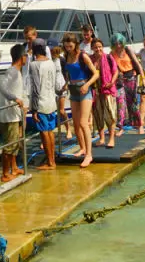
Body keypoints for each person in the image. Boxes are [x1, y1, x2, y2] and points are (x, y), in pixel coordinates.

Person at [61, 32, 98, 168]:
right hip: (73, 90)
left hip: (84, 90)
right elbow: (69, 73)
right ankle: (82, 148)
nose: (68, 48)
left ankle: (89, 155)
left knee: (83, 123)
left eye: (70, 46)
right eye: (66, 46)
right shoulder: (66, 56)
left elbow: (96, 73)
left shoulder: (83, 56)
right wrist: (65, 84)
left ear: (75, 44)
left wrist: (87, 85)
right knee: (75, 124)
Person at [0, 44, 26, 182]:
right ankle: (5, 173)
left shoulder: (18, 72)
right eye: (25, 55)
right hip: (10, 115)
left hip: (15, 114)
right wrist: (15, 99)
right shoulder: (12, 72)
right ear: (21, 57)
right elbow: (1, 86)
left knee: (15, 143)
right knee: (10, 145)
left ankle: (14, 167)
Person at [29, 40, 58, 169]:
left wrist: (34, 109)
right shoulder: (51, 62)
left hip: (41, 103)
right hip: (51, 101)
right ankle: (52, 160)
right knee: (50, 131)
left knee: (44, 132)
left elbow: (35, 88)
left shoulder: (34, 65)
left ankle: (50, 162)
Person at [109, 33, 142, 133]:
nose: (118, 46)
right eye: (116, 44)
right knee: (121, 103)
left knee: (132, 104)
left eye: (119, 43)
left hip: (131, 78)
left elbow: (137, 63)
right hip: (120, 80)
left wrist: (143, 77)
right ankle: (121, 127)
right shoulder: (112, 53)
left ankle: (139, 124)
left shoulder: (128, 50)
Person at [90, 38, 118, 148]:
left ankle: (111, 139)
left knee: (110, 114)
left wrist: (111, 82)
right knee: (98, 115)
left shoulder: (108, 57)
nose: (98, 49)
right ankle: (101, 138)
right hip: (95, 91)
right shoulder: (90, 59)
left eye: (100, 46)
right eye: (96, 47)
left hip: (107, 90)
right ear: (92, 48)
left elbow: (115, 71)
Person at [50, 44, 71, 139]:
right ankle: (50, 134)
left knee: (61, 111)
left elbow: (66, 73)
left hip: (61, 85)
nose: (53, 53)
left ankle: (68, 129)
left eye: (55, 51)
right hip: (51, 87)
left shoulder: (61, 60)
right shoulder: (47, 60)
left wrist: (66, 84)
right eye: (52, 51)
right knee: (51, 111)